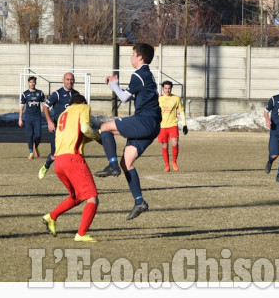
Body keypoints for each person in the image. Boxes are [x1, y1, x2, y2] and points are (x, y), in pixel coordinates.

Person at [94, 43, 161, 220]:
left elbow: (123, 98)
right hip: (153, 125)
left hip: (145, 120)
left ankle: (112, 165)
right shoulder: (147, 75)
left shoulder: (138, 74)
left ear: (140, 57)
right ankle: (139, 202)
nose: (131, 58)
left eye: (133, 54)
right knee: (127, 163)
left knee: (104, 127)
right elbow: (131, 95)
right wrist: (114, 86)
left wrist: (114, 85)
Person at [42, 94, 101, 242]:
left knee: (76, 196)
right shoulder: (84, 107)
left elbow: (75, 136)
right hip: (73, 160)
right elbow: (86, 128)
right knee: (92, 198)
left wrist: (93, 137)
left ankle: (51, 217)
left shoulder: (63, 113)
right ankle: (81, 234)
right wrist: (98, 136)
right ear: (82, 102)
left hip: (59, 161)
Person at [38, 72, 79, 179]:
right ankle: (46, 165)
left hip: (71, 130)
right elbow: (45, 107)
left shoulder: (77, 94)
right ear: (63, 80)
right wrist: (50, 122)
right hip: (58, 128)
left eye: (71, 79)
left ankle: (71, 174)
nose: (70, 82)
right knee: (55, 154)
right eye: (67, 79)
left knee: (72, 152)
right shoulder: (57, 93)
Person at [158, 80, 188, 172]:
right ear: (163, 89)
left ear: (171, 88)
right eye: (166, 88)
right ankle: (167, 166)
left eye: (169, 88)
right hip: (162, 126)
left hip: (173, 124)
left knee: (175, 142)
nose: (167, 90)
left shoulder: (176, 98)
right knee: (165, 145)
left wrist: (184, 125)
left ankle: (174, 162)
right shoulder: (159, 99)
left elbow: (181, 111)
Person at [18, 76, 45, 159]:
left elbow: (44, 105)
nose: (32, 84)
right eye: (30, 82)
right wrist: (20, 118)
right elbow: (22, 107)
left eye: (33, 82)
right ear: (28, 83)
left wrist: (47, 114)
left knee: (38, 135)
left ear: (35, 83)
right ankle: (31, 153)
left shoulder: (40, 93)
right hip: (28, 117)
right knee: (30, 135)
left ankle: (35, 146)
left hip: (37, 117)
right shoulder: (25, 94)